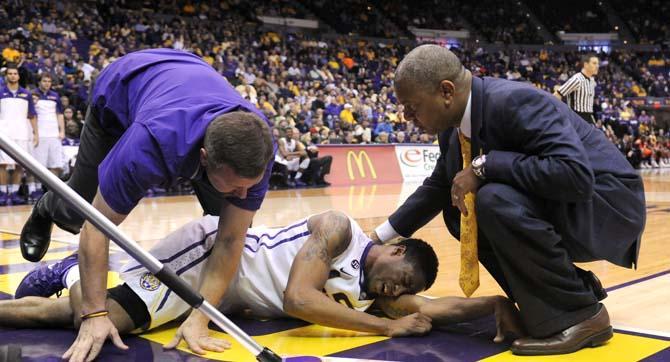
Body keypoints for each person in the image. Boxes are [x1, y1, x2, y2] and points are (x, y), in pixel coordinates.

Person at [371, 45, 645, 356]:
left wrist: (484, 166)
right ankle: (562, 297)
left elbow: (575, 176)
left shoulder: (514, 101)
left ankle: (583, 315)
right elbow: (437, 187)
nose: (406, 116)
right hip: (574, 203)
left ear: (446, 91)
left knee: (492, 198)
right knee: (458, 211)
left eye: (412, 106)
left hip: (609, 205)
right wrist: (375, 239)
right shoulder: (452, 129)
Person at [19, 49, 275, 361]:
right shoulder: (149, 145)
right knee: (79, 210)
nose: (245, 192)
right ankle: (47, 207)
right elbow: (97, 229)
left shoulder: (258, 143)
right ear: (205, 159)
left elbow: (232, 238)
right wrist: (94, 315)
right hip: (120, 92)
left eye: (251, 183)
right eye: (237, 184)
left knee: (227, 217)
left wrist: (200, 316)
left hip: (183, 85)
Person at [9, 210, 522, 354]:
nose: (394, 292)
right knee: (84, 315)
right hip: (210, 258)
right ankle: (72, 270)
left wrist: (492, 304)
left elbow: (430, 309)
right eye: (400, 278)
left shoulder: (373, 288)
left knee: (79, 320)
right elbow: (298, 298)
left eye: (399, 289)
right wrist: (383, 329)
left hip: (227, 297)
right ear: (393, 249)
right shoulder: (338, 230)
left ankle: (73, 279)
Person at [0, 64, 38, 205]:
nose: (12, 76)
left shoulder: (26, 94)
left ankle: (15, 193)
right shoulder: (0, 92)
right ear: (6, 76)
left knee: (19, 164)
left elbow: (32, 115)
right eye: (10, 73)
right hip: (4, 132)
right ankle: (4, 193)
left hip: (22, 132)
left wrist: (36, 133)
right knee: (2, 164)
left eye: (15, 73)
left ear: (18, 76)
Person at [32, 73, 65, 197]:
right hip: (40, 134)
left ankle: (52, 191)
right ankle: (37, 191)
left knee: (55, 164)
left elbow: (60, 114)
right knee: (38, 165)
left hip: (54, 134)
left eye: (49, 81)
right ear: (39, 82)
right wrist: (34, 133)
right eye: (44, 81)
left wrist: (62, 131)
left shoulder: (55, 96)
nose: (47, 83)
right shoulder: (33, 94)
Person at [554, 53, 599, 125]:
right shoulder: (577, 79)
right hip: (577, 118)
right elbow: (557, 94)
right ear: (586, 65)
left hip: (589, 117)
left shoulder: (592, 80)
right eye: (594, 63)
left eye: (597, 63)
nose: (597, 66)